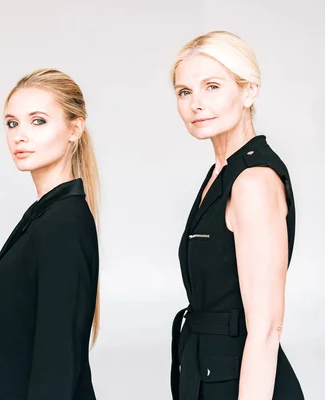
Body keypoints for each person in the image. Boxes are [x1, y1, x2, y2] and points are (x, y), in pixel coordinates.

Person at [169, 31, 304, 399]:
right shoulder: (221, 174)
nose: (196, 103)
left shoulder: (253, 181)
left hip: (240, 383)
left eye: (212, 86)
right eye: (184, 91)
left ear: (249, 91)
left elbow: (266, 329)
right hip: (207, 372)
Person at [0, 69, 100, 400]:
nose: (20, 135)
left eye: (38, 121)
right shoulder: (44, 217)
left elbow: (57, 362)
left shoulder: (62, 224)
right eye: (12, 123)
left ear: (74, 129)